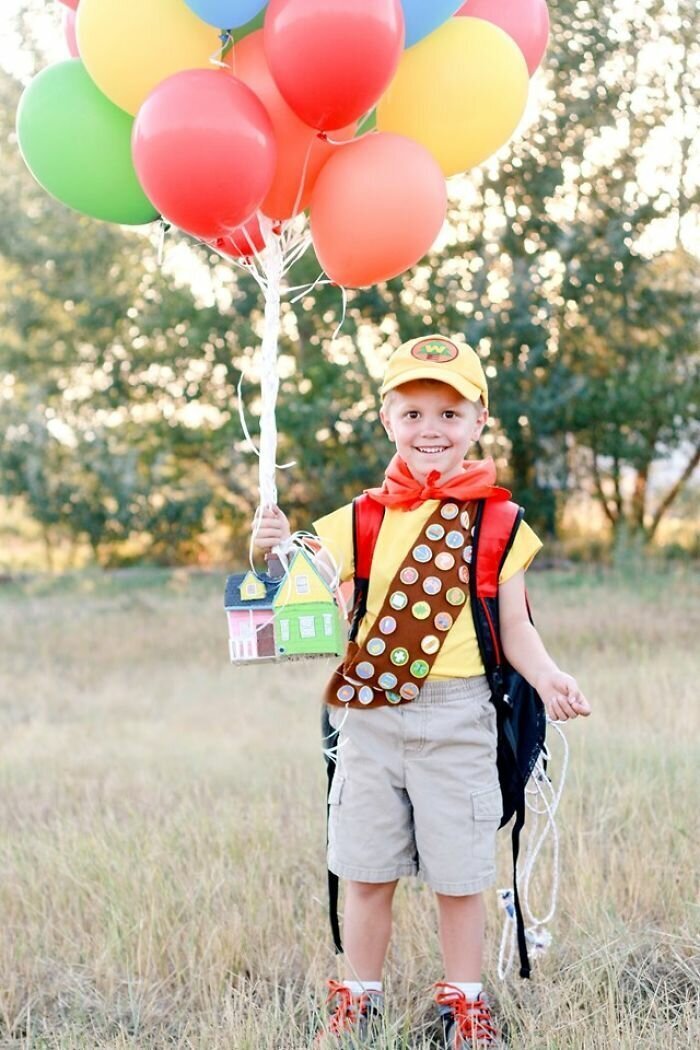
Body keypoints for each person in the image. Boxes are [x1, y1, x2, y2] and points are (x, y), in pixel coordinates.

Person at [254, 335, 591, 1048]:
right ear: (387, 419)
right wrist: (271, 550)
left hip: (459, 717)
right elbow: (298, 591)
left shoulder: (501, 521)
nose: (430, 429)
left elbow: (516, 626)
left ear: (477, 423)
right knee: (365, 868)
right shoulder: (358, 520)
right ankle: (357, 999)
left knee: (459, 872)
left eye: (448, 412)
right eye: (412, 413)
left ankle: (464, 1003)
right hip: (369, 717)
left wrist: (550, 675)